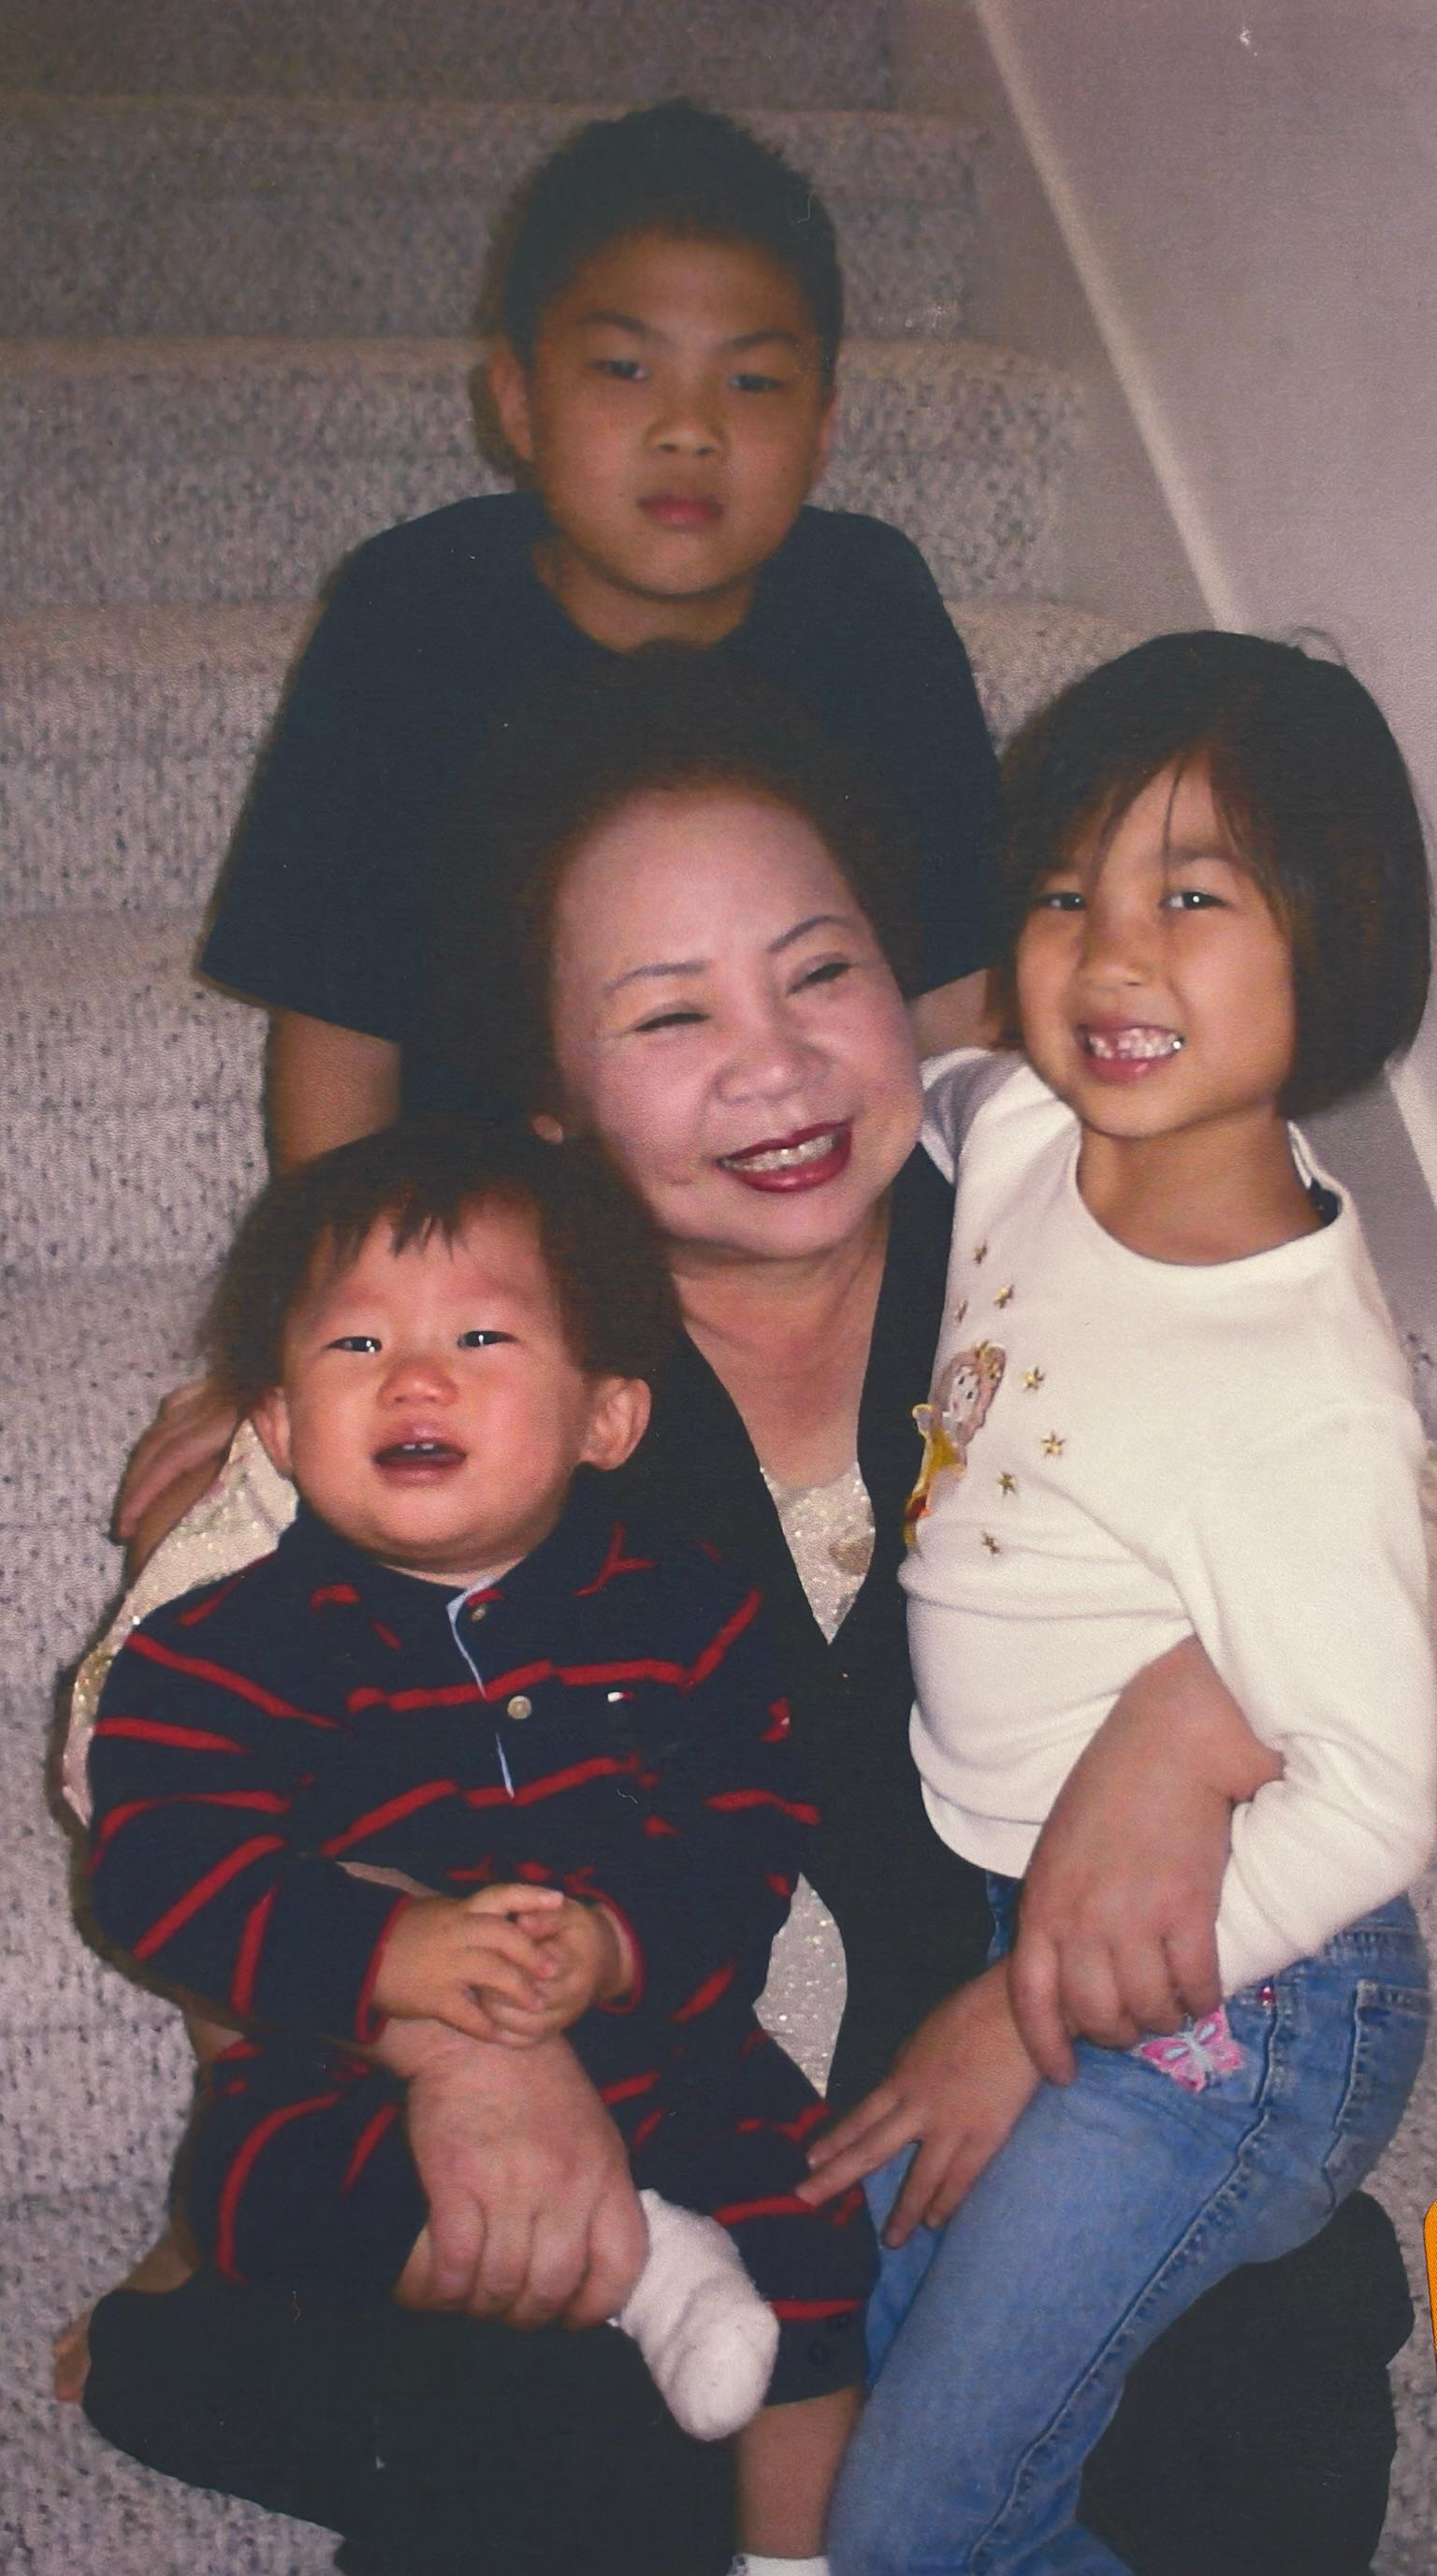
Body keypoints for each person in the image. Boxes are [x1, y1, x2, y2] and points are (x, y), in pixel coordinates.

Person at [76, 653, 1417, 2576]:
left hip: (1025, 2052)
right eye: (666, 1015)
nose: (774, 1070)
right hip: (661, 2082)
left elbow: (1340, 1434)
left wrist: (1203, 1710)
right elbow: (147, 1729)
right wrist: (465, 2042)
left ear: (911, 986)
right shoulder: (474, 1370)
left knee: (1250, 2386)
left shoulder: (1055, 1201)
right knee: (572, 2409)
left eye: (819, 974)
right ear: (542, 1094)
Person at [117, 94, 1000, 1562]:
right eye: (622, 368)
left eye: (756, 384)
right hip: (502, 1234)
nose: (688, 428)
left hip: (804, 1212)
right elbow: (339, 1026)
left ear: (830, 425)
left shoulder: (872, 609)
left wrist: (1028, 1265)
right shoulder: (413, 616)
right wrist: (316, 1334)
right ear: (516, 403)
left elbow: (960, 992)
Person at [802, 631, 1436, 2571]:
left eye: (1193, 896)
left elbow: (1390, 1784)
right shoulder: (1019, 1132)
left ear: (1332, 944)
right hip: (1046, 1925)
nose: (1114, 953)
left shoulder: (1297, 1394)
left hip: (1238, 2012)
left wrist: (1033, 2009)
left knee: (921, 2523)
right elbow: (917, 1079)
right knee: (863, 2363)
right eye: (1068, 894)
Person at [87, 1120, 877, 2569]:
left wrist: (622, 1938)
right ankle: (642, 2270)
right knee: (266, 2201)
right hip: (349, 2081)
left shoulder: (687, 1609)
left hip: (674, 2057)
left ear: (605, 1418)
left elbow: (750, 1824)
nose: (416, 1377)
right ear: (274, 1424)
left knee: (821, 2229)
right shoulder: (217, 1649)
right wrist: (389, 1953)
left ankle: (793, 2554)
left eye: (479, 1334)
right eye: (356, 1348)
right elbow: (158, 1868)